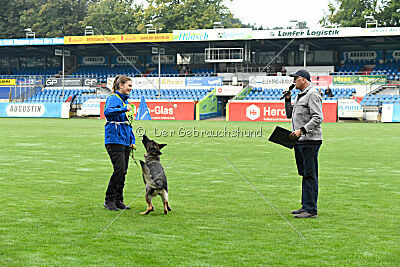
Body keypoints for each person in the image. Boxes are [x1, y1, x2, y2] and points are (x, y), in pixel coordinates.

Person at [284, 69, 323, 218]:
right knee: (305, 174)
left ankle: (311, 210)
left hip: (310, 140)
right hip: (300, 141)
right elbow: (289, 115)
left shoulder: (312, 94)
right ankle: (305, 206)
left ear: (304, 79)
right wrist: (287, 99)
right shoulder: (300, 96)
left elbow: (318, 118)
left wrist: (302, 130)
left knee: (310, 175)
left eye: (296, 78)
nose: (294, 81)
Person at [103, 75, 136, 211]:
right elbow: (107, 112)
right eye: (129, 85)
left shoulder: (124, 102)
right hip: (114, 139)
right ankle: (109, 200)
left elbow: (128, 124)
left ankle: (118, 200)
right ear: (121, 85)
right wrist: (124, 109)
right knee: (119, 170)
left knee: (123, 171)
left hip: (124, 140)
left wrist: (132, 141)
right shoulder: (113, 99)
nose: (130, 88)